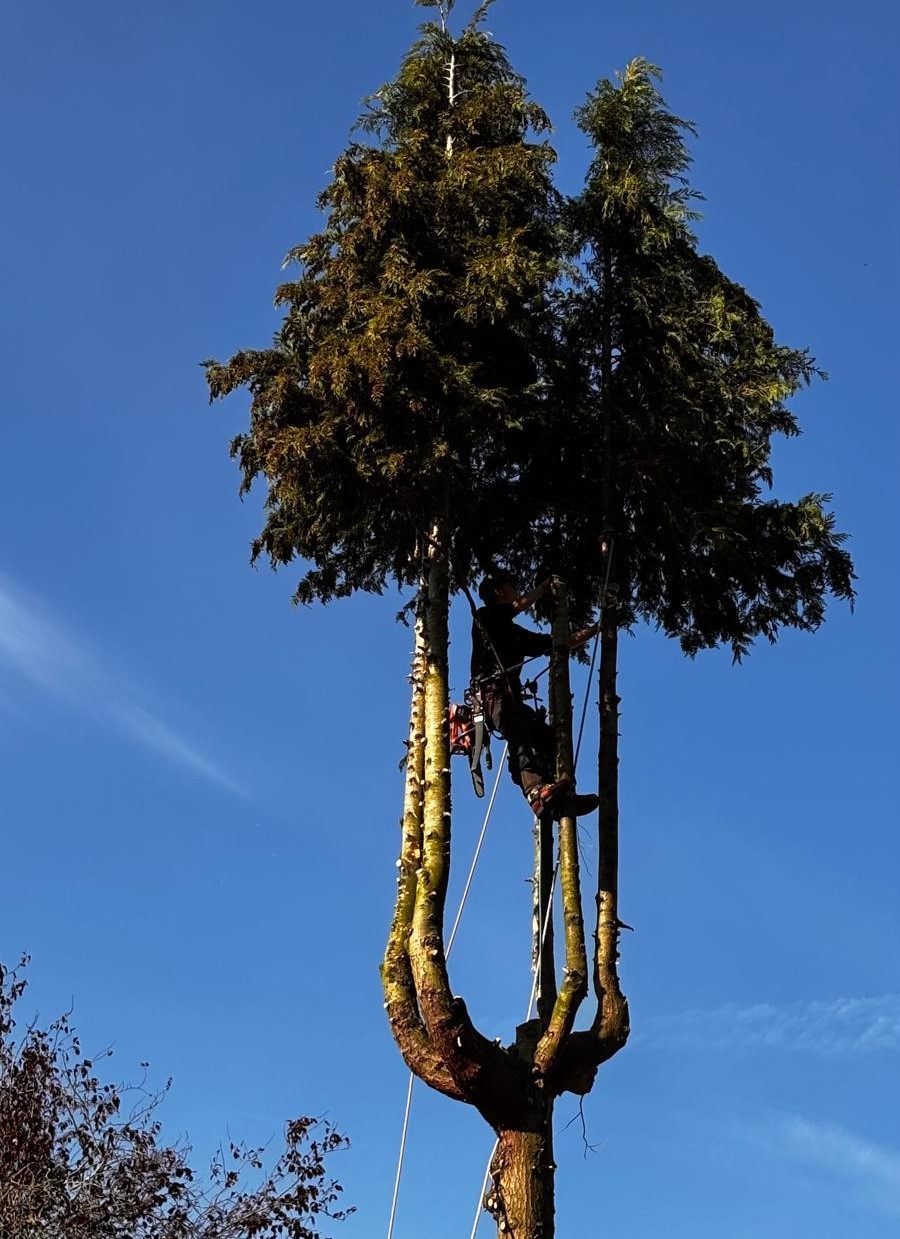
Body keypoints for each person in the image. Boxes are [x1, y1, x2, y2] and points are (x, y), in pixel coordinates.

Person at [470, 570, 600, 819]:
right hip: (493, 695)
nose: (516, 591)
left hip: (510, 698)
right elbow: (516, 607)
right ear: (499, 591)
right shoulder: (484, 617)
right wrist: (543, 587)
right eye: (512, 586)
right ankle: (534, 791)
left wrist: (597, 628)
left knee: (547, 738)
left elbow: (559, 642)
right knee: (520, 736)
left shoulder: (516, 634)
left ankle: (559, 794)